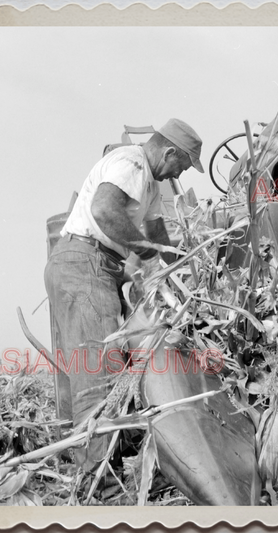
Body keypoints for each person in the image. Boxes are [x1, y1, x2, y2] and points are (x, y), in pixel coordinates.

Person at [44, 118, 204, 471]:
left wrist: (192, 262)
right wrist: (147, 257)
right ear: (169, 152)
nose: (180, 174)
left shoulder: (149, 183)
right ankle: (96, 475)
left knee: (107, 367)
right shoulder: (132, 163)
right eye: (182, 165)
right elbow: (104, 211)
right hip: (84, 263)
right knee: (98, 374)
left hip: (96, 266)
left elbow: (159, 238)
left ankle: (101, 463)